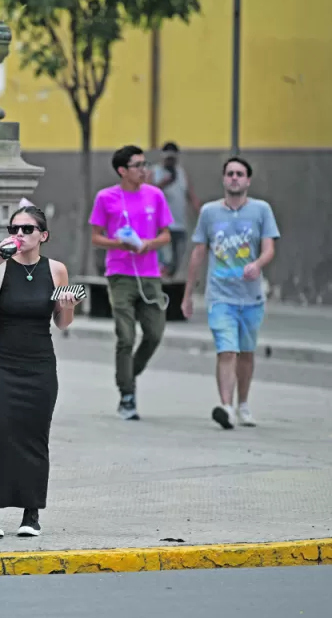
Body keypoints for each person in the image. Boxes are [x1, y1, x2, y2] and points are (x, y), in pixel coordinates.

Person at [0, 203, 78, 539]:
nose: (19, 235)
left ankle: (31, 513)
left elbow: (62, 322)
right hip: (0, 363)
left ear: (43, 235)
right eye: (14, 229)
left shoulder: (56, 270)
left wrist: (67, 307)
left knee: (34, 436)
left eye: (27, 230)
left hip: (40, 364)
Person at [181, 157, 280, 430]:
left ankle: (243, 404)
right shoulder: (209, 213)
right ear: (224, 179)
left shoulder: (262, 210)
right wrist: (188, 293)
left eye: (239, 174)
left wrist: (258, 265)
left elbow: (269, 248)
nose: (234, 178)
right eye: (230, 173)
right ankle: (226, 407)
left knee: (246, 353)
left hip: (251, 298)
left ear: (248, 180)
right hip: (219, 297)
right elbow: (198, 252)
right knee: (227, 350)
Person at [90, 144, 174, 421]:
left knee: (154, 333)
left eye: (145, 164)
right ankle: (127, 395)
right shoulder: (106, 197)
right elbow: (96, 236)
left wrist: (148, 244)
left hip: (150, 276)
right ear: (122, 170)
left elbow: (166, 235)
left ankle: (128, 373)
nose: (144, 170)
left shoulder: (155, 195)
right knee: (126, 336)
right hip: (119, 275)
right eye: (138, 165)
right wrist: (119, 244)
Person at [153, 141, 201, 278]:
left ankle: (166, 287)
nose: (170, 162)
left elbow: (190, 195)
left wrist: (199, 211)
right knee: (165, 262)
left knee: (176, 261)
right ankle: (159, 290)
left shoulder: (181, 173)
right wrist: (163, 183)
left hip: (180, 225)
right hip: (162, 226)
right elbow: (147, 194)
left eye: (173, 159)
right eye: (168, 159)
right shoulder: (155, 172)